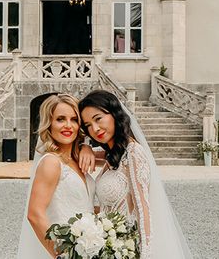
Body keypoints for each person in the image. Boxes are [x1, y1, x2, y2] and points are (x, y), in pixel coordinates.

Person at [79, 89, 193, 259]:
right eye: (88, 125)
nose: (95, 129)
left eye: (98, 119)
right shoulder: (115, 154)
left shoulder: (133, 153)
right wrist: (84, 146)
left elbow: (143, 208)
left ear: (114, 114)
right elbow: (71, 155)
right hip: (109, 247)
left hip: (128, 249)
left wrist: (145, 254)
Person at [17, 94, 95, 258]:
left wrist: (86, 147)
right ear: (49, 124)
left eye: (74, 119)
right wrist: (63, 254)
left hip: (88, 248)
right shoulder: (51, 162)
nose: (68, 125)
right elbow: (35, 214)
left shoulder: (77, 159)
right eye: (60, 119)